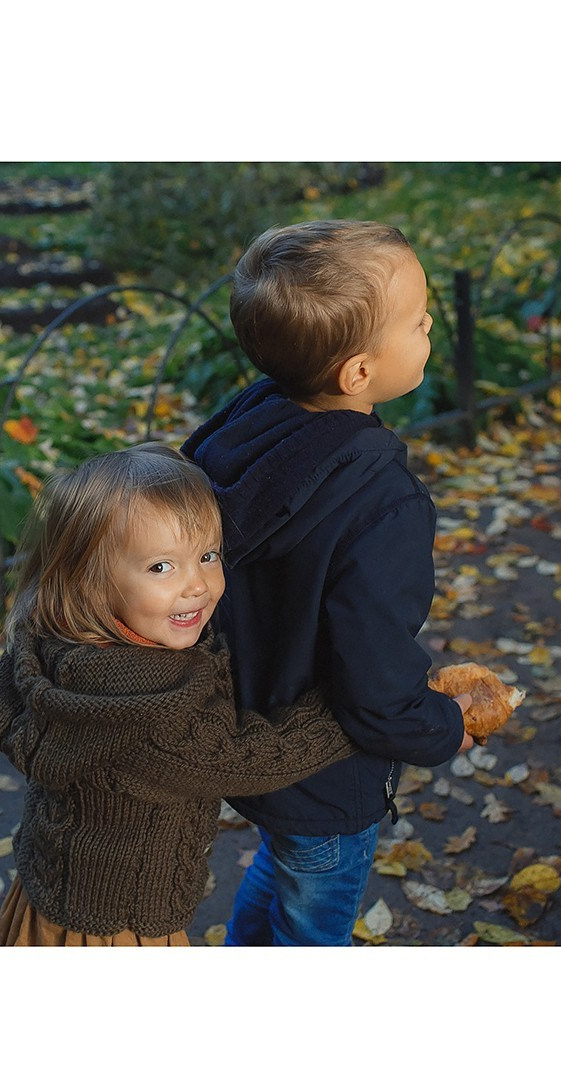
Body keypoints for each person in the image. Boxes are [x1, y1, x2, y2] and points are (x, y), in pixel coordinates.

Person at [184, 219, 473, 947]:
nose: (430, 322)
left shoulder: (246, 423)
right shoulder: (384, 502)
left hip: (251, 733)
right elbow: (374, 681)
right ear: (358, 374)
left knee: (287, 867)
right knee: (315, 926)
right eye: (416, 319)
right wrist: (445, 726)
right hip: (323, 771)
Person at [0, 444, 360, 945]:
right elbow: (257, 759)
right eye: (162, 567)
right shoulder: (149, 717)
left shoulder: (53, 649)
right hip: (120, 931)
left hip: (50, 895)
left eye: (208, 555)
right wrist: (368, 707)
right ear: (91, 583)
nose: (197, 585)